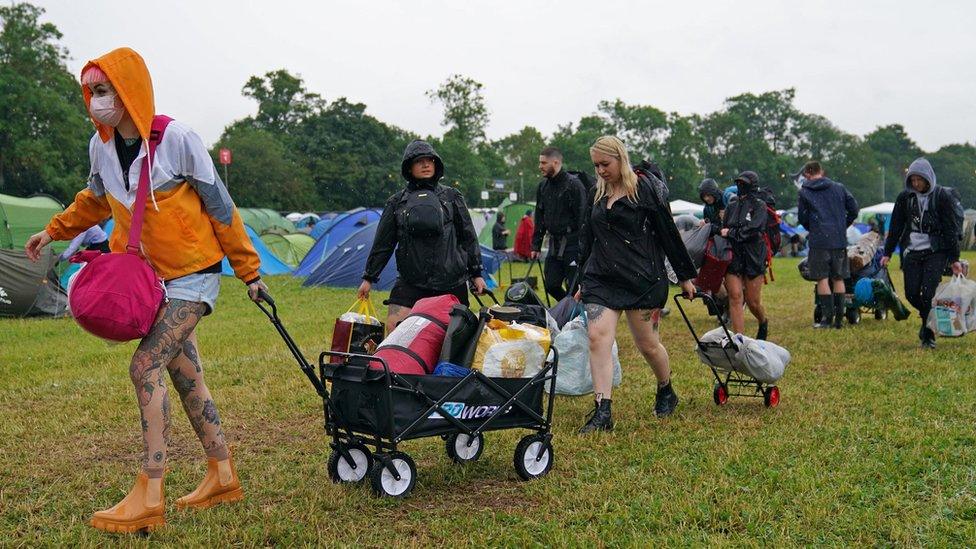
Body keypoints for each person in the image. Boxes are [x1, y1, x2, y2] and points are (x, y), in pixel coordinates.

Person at [24, 47, 265, 534]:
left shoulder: (177, 139)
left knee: (145, 364)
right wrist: (53, 231)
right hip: (148, 280)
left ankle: (149, 492)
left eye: (105, 90)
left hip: (192, 274)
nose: (96, 100)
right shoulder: (101, 146)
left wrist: (249, 270)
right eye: (91, 91)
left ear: (129, 89)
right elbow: (93, 200)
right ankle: (222, 473)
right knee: (185, 374)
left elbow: (220, 205)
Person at [575, 136, 697, 433]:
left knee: (648, 345)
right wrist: (580, 279)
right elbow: (587, 239)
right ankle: (603, 411)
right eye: (596, 165)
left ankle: (666, 387)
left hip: (642, 278)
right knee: (597, 337)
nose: (600, 170)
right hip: (601, 278)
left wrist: (684, 276)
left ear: (621, 159)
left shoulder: (644, 190)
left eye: (605, 164)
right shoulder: (596, 193)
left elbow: (668, 231)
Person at [358, 140, 486, 328]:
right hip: (411, 281)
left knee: (453, 341)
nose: (426, 164)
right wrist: (369, 278)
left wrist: (476, 273)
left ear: (436, 164)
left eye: (430, 160)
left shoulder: (452, 197)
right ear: (409, 167)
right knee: (395, 329)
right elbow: (383, 244)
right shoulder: (396, 202)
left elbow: (468, 236)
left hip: (451, 280)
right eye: (419, 161)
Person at [881, 158, 964, 349]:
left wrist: (954, 259)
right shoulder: (905, 198)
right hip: (912, 251)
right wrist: (887, 252)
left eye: (920, 180)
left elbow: (950, 228)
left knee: (928, 293)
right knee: (911, 294)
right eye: (913, 180)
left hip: (936, 251)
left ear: (928, 179)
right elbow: (896, 225)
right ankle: (931, 317)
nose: (916, 184)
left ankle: (928, 336)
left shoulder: (942, 196)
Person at [797, 161, 859, 329]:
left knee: (822, 278)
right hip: (838, 239)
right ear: (821, 171)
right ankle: (839, 320)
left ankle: (826, 319)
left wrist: (814, 228)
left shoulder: (805, 191)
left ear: (808, 173)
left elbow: (802, 218)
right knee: (838, 277)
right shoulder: (839, 187)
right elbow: (854, 208)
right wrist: (842, 225)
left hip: (819, 241)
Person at [532, 147, 587, 300]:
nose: (540, 166)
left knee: (574, 287)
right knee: (551, 285)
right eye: (540, 162)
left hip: (573, 243)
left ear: (555, 162)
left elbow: (583, 218)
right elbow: (539, 216)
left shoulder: (574, 185)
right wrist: (536, 244)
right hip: (554, 244)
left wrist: (584, 247)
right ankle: (567, 312)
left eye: (543, 163)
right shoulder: (543, 187)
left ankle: (576, 319)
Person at [721, 171, 770, 340]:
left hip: (754, 255)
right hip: (733, 255)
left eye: (744, 183)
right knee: (734, 296)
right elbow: (724, 228)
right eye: (739, 183)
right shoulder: (732, 206)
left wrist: (732, 233)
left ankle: (763, 321)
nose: (741, 186)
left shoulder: (760, 206)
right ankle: (739, 339)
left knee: (752, 301)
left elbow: (754, 229)